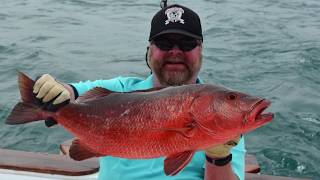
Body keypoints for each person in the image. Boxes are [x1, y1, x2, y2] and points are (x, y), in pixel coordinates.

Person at [33, 4, 245, 180]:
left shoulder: (221, 110)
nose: (175, 51)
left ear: (201, 51)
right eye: (163, 42)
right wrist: (56, 91)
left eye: (187, 43)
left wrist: (219, 156)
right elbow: (72, 93)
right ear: (149, 51)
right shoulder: (122, 90)